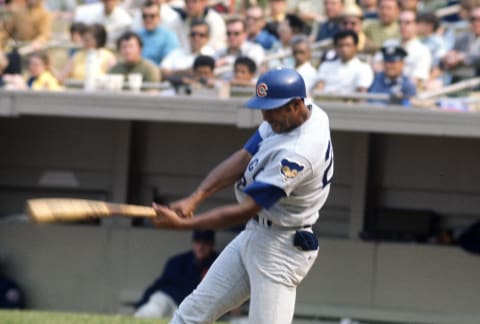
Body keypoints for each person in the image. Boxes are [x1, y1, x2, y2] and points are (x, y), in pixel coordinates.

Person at [152, 67, 334, 323]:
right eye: (264, 107)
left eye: (273, 109)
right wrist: (196, 197)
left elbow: (246, 209)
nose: (266, 116)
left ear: (295, 104)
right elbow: (243, 156)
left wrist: (184, 224)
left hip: (282, 247)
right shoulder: (304, 112)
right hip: (255, 233)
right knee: (190, 314)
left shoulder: (298, 153)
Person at [134, 230, 218, 318]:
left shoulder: (217, 264)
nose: (201, 247)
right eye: (198, 242)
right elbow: (159, 284)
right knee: (157, 304)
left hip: (196, 309)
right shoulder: (178, 261)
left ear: (212, 244)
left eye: (205, 243)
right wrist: (141, 303)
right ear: (193, 243)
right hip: (170, 301)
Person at [138, 1, 179, 65]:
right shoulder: (137, 36)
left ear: (159, 18)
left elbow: (168, 63)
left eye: (152, 16)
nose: (148, 19)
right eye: (145, 16)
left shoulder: (168, 37)